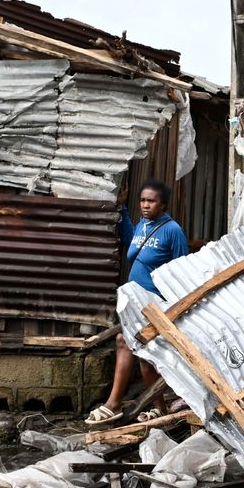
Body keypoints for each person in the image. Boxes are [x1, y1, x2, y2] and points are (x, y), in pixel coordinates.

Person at [85, 180, 189, 427]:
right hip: (133, 302)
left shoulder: (172, 230)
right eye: (142, 200)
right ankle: (159, 409)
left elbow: (182, 269)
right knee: (141, 353)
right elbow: (132, 242)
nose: (145, 205)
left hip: (154, 303)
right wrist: (121, 209)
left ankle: (115, 404)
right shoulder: (144, 224)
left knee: (130, 345)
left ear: (163, 204)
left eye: (151, 201)